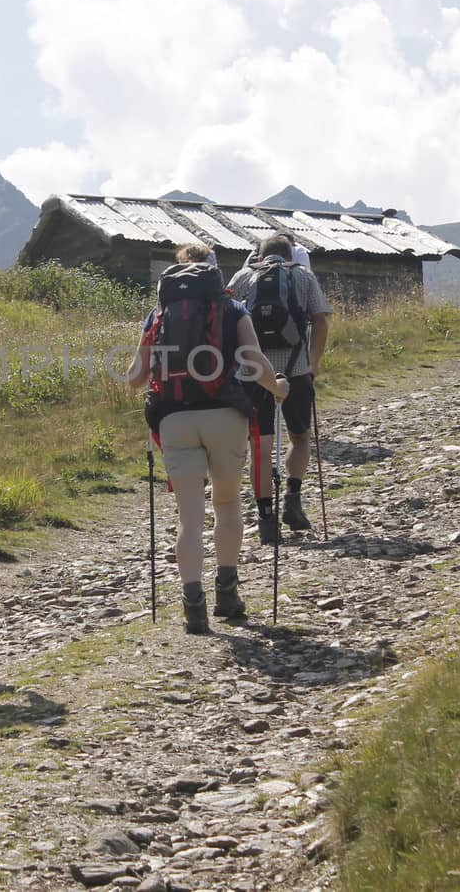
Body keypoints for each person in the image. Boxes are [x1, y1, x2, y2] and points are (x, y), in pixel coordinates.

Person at [127, 243, 289, 633]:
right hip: (225, 416)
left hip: (174, 420)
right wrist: (278, 388)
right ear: (214, 273)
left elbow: (134, 377)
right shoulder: (233, 309)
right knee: (228, 504)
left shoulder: (159, 314)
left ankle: (192, 603)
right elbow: (255, 361)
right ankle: (227, 593)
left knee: (189, 516)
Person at [227, 234, 332, 542]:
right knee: (299, 437)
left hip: (253, 373)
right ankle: (293, 497)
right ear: (291, 255)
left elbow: (225, 317)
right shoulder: (303, 275)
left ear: (259, 255)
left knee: (259, 446)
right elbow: (321, 321)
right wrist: (313, 362)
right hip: (296, 370)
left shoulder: (243, 276)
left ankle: (265, 518)